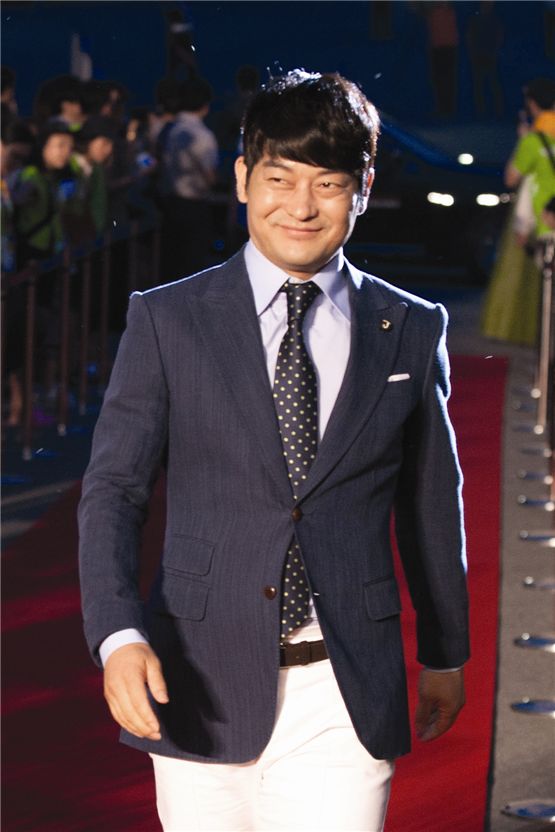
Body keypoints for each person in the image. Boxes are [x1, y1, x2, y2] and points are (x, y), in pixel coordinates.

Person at [78, 69, 469, 832]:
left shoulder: (411, 326)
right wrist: (117, 632)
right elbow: (113, 491)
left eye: (327, 183)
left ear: (360, 189)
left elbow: (430, 501)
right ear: (241, 179)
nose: (300, 206)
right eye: (279, 178)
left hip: (343, 684)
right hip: (194, 679)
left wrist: (445, 649)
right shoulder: (168, 320)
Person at [481, 77, 555, 345]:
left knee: (543, 299)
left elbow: (512, 179)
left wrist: (523, 140)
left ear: (533, 105)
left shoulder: (534, 141)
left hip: (542, 224)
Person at [158, 76, 219, 279]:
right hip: (195, 206)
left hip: (169, 203)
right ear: (205, 105)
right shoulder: (202, 135)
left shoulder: (168, 131)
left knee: (171, 267)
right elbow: (209, 176)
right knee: (192, 268)